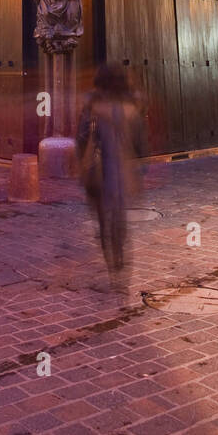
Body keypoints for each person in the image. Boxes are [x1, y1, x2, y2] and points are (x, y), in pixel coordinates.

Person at [76, 63, 147, 289]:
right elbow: (141, 146)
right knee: (119, 219)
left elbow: (82, 138)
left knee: (103, 221)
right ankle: (120, 261)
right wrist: (138, 171)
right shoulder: (132, 109)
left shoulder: (92, 106)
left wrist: (81, 163)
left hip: (98, 174)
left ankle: (111, 264)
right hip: (124, 174)